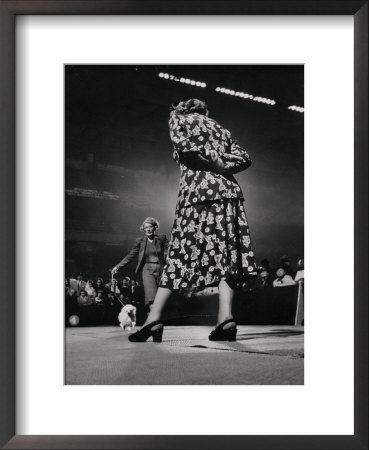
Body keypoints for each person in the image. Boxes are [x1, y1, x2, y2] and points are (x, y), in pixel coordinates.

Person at [128, 98, 257, 343]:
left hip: (197, 195)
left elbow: (184, 146)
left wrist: (207, 157)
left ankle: (154, 319)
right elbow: (245, 158)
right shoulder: (221, 129)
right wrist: (220, 161)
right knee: (227, 257)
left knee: (178, 256)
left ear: (183, 109)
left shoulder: (180, 119)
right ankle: (226, 318)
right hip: (228, 193)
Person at [111, 217, 169, 310]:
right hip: (147, 270)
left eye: (150, 226)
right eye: (146, 227)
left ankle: (157, 317)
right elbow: (130, 255)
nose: (148, 229)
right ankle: (153, 321)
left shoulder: (161, 238)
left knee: (161, 298)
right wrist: (118, 266)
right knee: (151, 298)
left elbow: (172, 250)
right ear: (143, 229)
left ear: (155, 227)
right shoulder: (140, 241)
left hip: (161, 270)